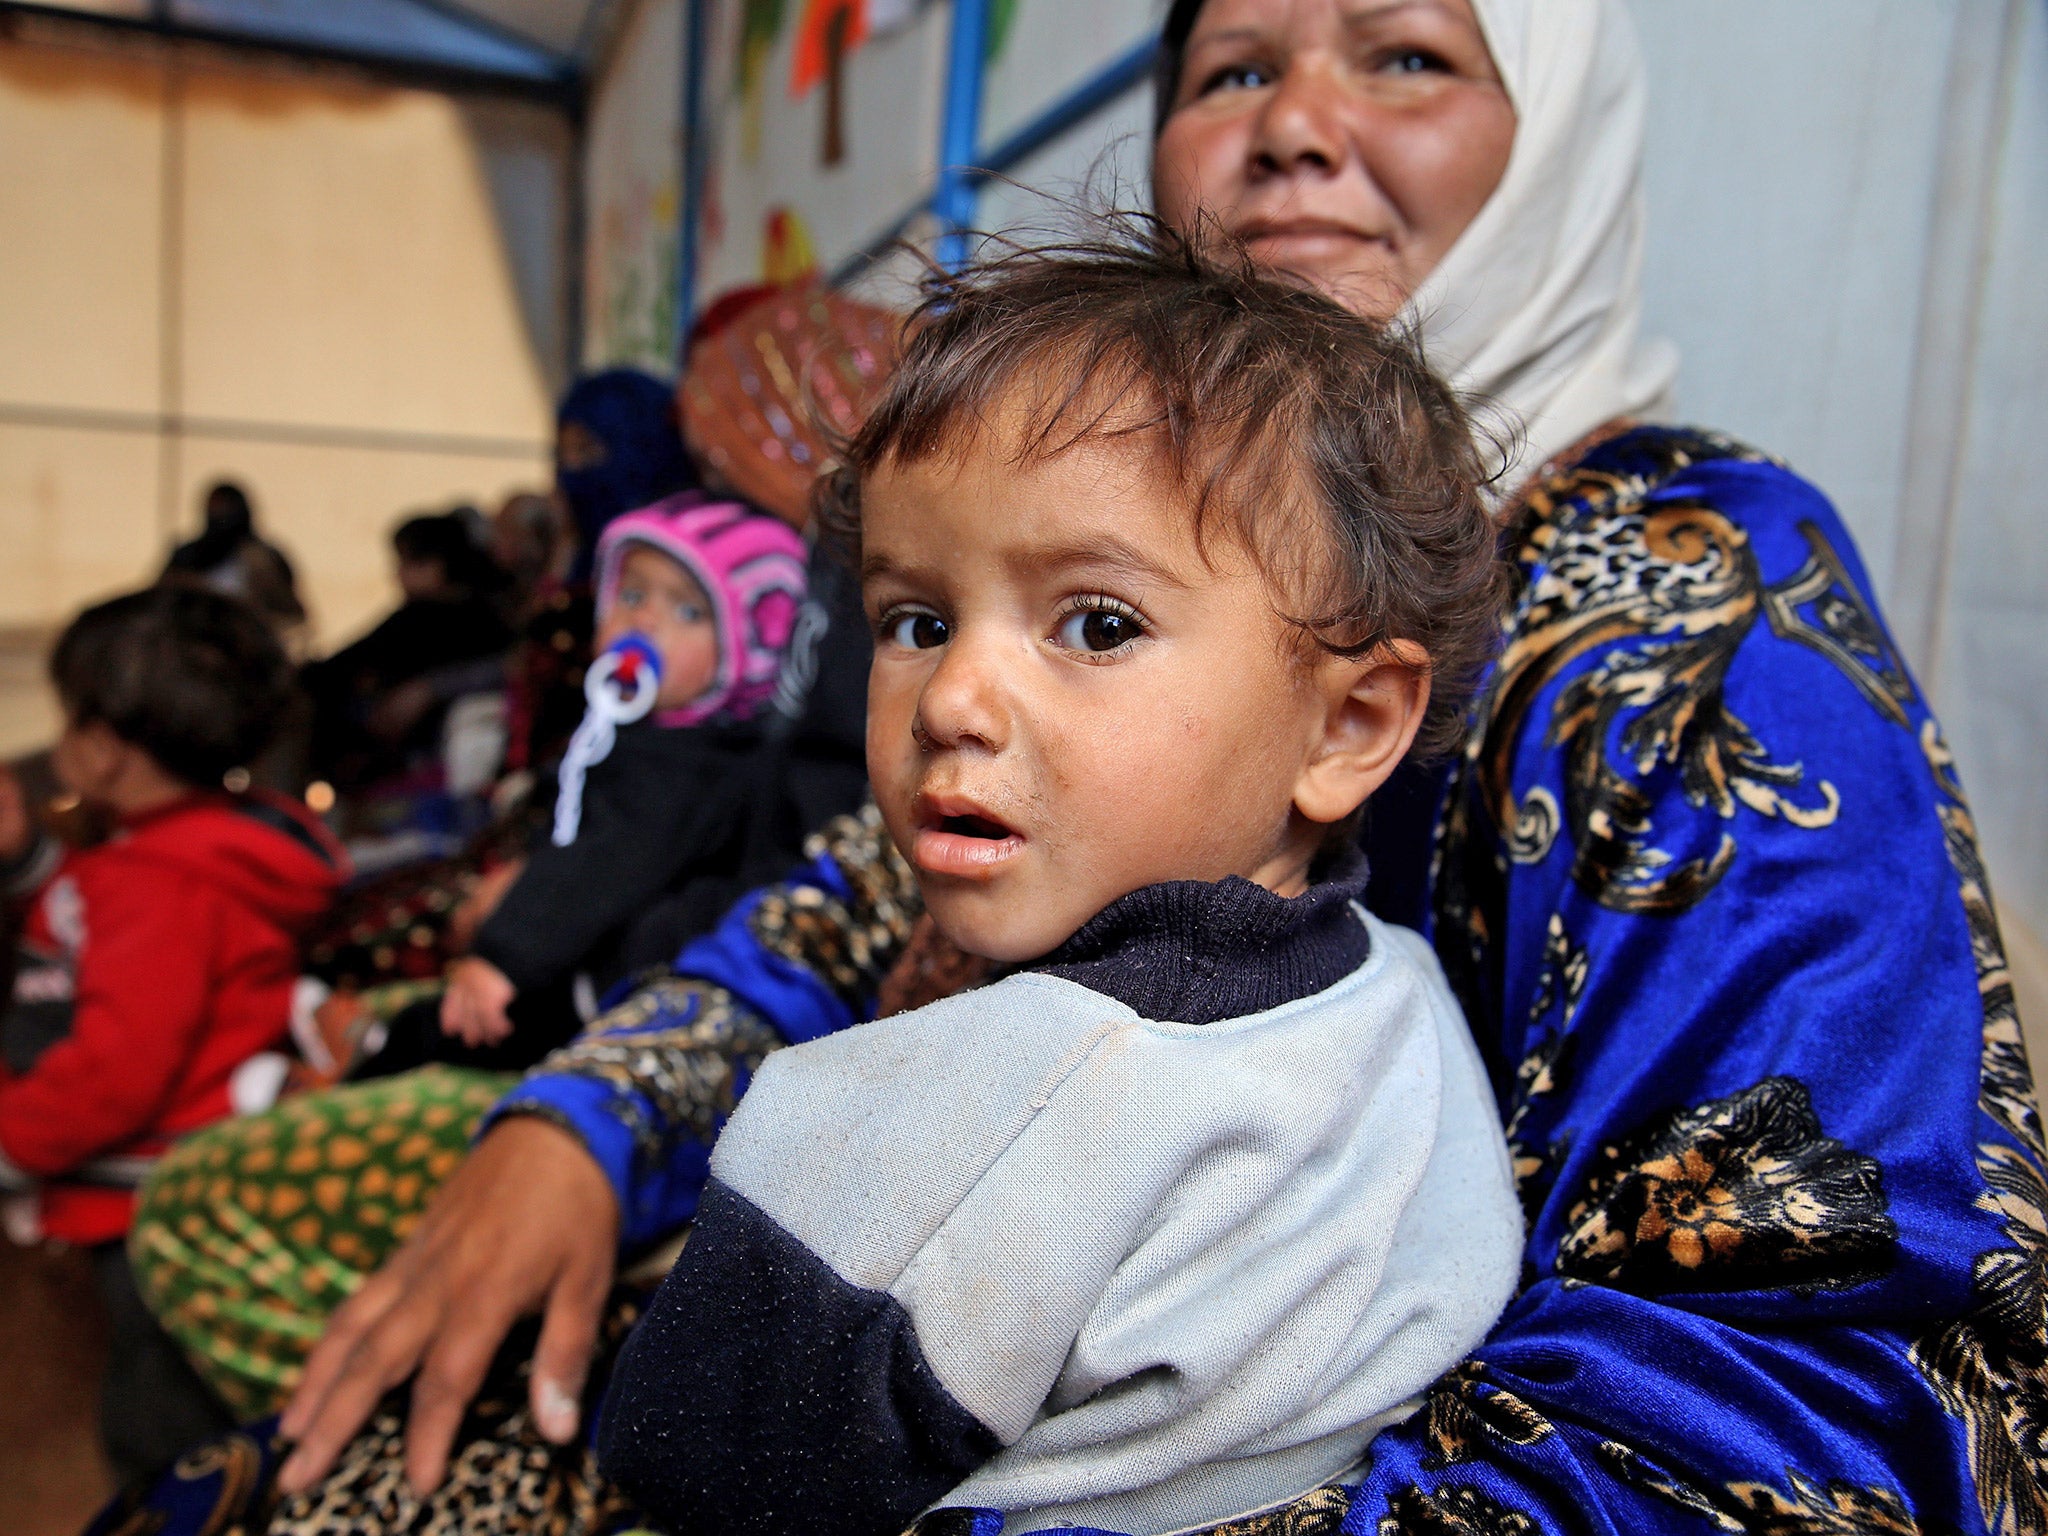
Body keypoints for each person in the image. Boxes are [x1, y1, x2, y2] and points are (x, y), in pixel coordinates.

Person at [108, 0, 2039, 1527]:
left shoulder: (1691, 601)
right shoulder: (1091, 517)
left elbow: (1821, 1390)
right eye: (1226, 65)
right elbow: (867, 886)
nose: (1292, 120)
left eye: (1406, 53)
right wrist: (587, 1116)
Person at [597, 229, 1522, 1536]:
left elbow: (683, 1459)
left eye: (1097, 624)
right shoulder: (1402, 994)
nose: (955, 700)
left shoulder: (994, 1099)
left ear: (1349, 725)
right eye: (915, 621)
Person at [0, 586, 344, 1482]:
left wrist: (12, 1144)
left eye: (70, 716)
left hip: (144, 1205)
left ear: (108, 749)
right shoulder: (184, 848)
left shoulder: (160, 886)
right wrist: (28, 860)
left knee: (154, 1430)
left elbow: (117, 1071)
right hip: (161, 1186)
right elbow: (92, 921)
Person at [370, 495, 808, 1073]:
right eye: (631, 595)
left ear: (750, 644)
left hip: (597, 994)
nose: (644, 620)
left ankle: (360, 1057)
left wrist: (503, 957)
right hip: (573, 957)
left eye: (688, 612)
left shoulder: (690, 764)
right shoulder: (640, 727)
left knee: (430, 1035)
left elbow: (601, 863)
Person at [161, 480, 309, 644]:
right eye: (215, 510)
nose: (220, 516)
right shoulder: (187, 557)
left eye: (226, 510)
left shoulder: (262, 560)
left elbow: (292, 617)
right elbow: (160, 605)